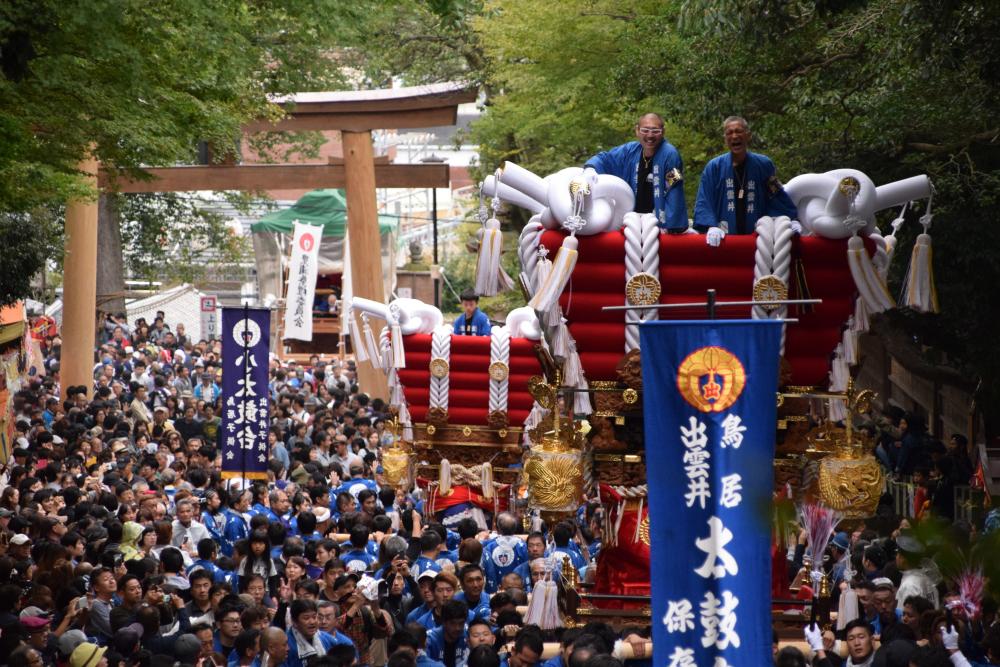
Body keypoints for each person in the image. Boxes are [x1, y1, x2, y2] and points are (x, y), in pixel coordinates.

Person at [693, 116, 798, 246]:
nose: (734, 136)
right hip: (724, 239)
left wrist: (790, 219)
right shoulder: (714, 167)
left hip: (758, 240)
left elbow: (776, 195)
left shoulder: (764, 165)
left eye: (739, 131)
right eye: (729, 133)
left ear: (748, 135)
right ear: (725, 139)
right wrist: (710, 226)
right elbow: (705, 199)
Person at [582, 112, 687, 231]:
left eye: (655, 131)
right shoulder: (630, 151)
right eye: (645, 130)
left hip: (656, 224)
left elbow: (674, 187)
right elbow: (606, 159)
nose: (650, 135)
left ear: (663, 132)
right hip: (630, 220)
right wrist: (590, 168)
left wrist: (670, 225)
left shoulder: (671, 155)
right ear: (637, 130)